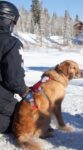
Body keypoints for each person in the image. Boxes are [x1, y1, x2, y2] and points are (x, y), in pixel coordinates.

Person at [0, 1, 33, 133]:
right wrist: (26, 92)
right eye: (14, 21)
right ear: (8, 20)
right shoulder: (11, 42)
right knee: (26, 116)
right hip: (2, 101)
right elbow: (14, 78)